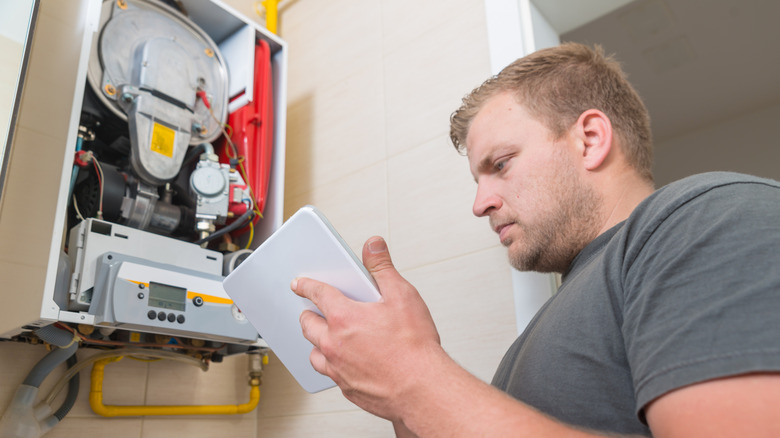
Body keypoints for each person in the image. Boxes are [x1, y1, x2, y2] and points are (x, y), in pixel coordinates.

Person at [291, 42, 780, 437]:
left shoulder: (709, 216)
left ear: (590, 139)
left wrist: (415, 377)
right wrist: (402, 389)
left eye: (500, 165)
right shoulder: (549, 326)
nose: (480, 203)